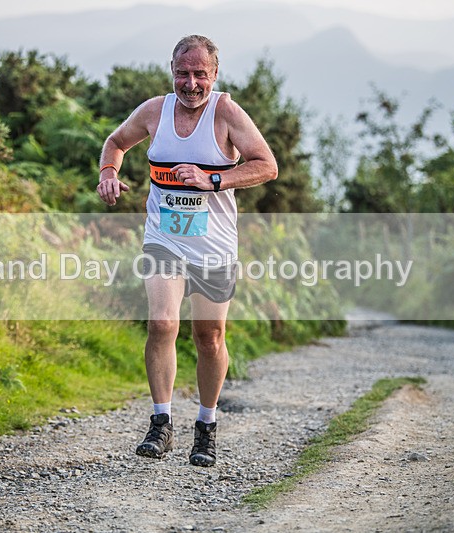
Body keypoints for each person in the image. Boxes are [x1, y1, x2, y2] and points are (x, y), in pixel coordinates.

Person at [97, 35, 277, 467]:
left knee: (209, 337)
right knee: (161, 323)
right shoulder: (154, 111)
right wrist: (108, 173)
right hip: (165, 237)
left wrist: (213, 180)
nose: (191, 83)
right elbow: (116, 142)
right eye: (183, 73)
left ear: (214, 74)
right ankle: (161, 424)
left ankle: (206, 426)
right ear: (172, 70)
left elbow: (266, 165)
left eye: (200, 74)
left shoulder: (227, 113)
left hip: (214, 244)